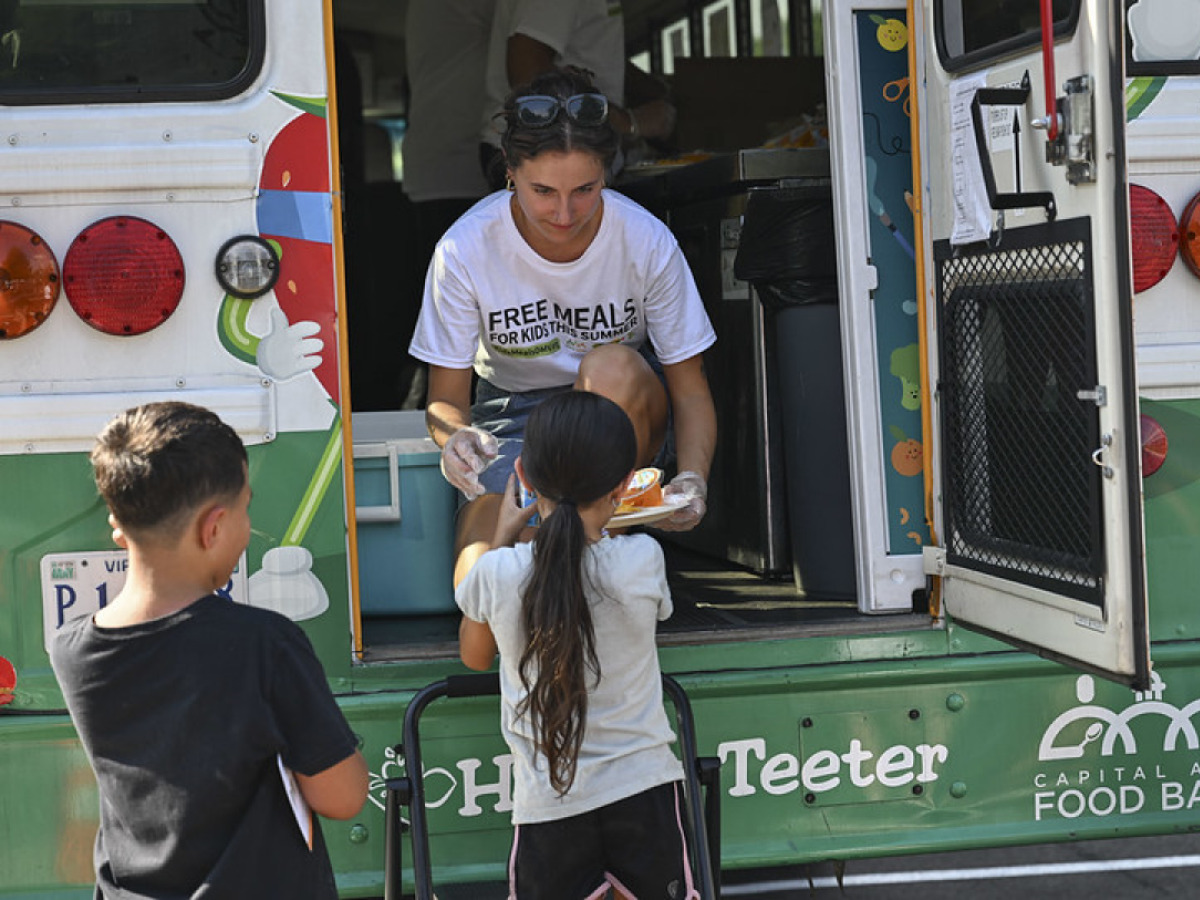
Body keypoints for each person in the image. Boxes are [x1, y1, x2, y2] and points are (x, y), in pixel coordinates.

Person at [409, 66, 717, 586]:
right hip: (509, 421)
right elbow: (444, 400)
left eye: (585, 189)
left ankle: (600, 525)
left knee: (612, 365)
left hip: (619, 420)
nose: (564, 213)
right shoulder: (465, 248)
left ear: (608, 172)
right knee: (495, 572)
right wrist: (456, 439)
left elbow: (689, 391)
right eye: (543, 191)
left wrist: (693, 480)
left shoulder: (645, 240)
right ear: (509, 169)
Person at [49, 401, 369, 899]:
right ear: (213, 527)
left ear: (117, 524)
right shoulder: (265, 644)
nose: (248, 529)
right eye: (246, 510)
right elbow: (343, 797)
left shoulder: (71, 649)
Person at [456, 390, 699, 900]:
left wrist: (501, 537)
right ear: (624, 486)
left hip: (550, 805)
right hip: (646, 792)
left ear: (522, 476)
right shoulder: (643, 562)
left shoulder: (498, 573)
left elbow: (474, 655)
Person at [478, 0, 676, 188]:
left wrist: (662, 91)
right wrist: (629, 123)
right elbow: (526, 69)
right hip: (540, 155)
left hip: (562, 157)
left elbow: (598, 56)